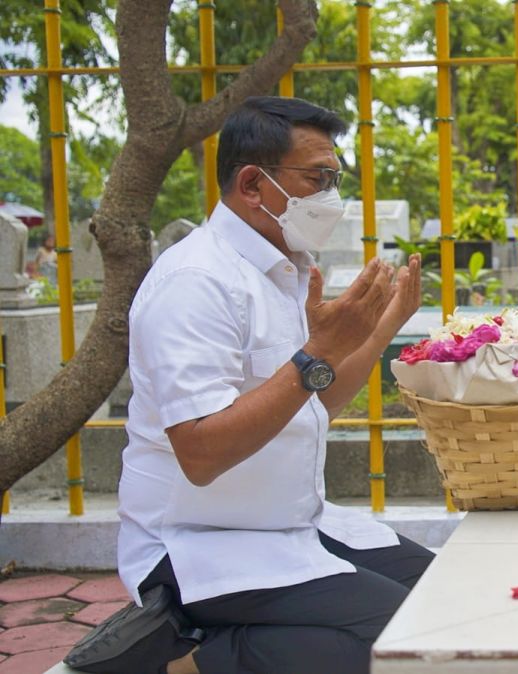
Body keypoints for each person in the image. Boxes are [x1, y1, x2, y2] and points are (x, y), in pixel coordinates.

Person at [65, 96, 432, 674]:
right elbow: (202, 453)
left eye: (335, 177)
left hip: (285, 526)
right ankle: (186, 665)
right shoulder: (196, 282)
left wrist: (381, 327)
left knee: (445, 597)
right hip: (196, 545)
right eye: (318, 177)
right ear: (253, 185)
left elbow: (318, 402)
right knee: (398, 639)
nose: (331, 195)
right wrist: (317, 353)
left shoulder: (281, 269)